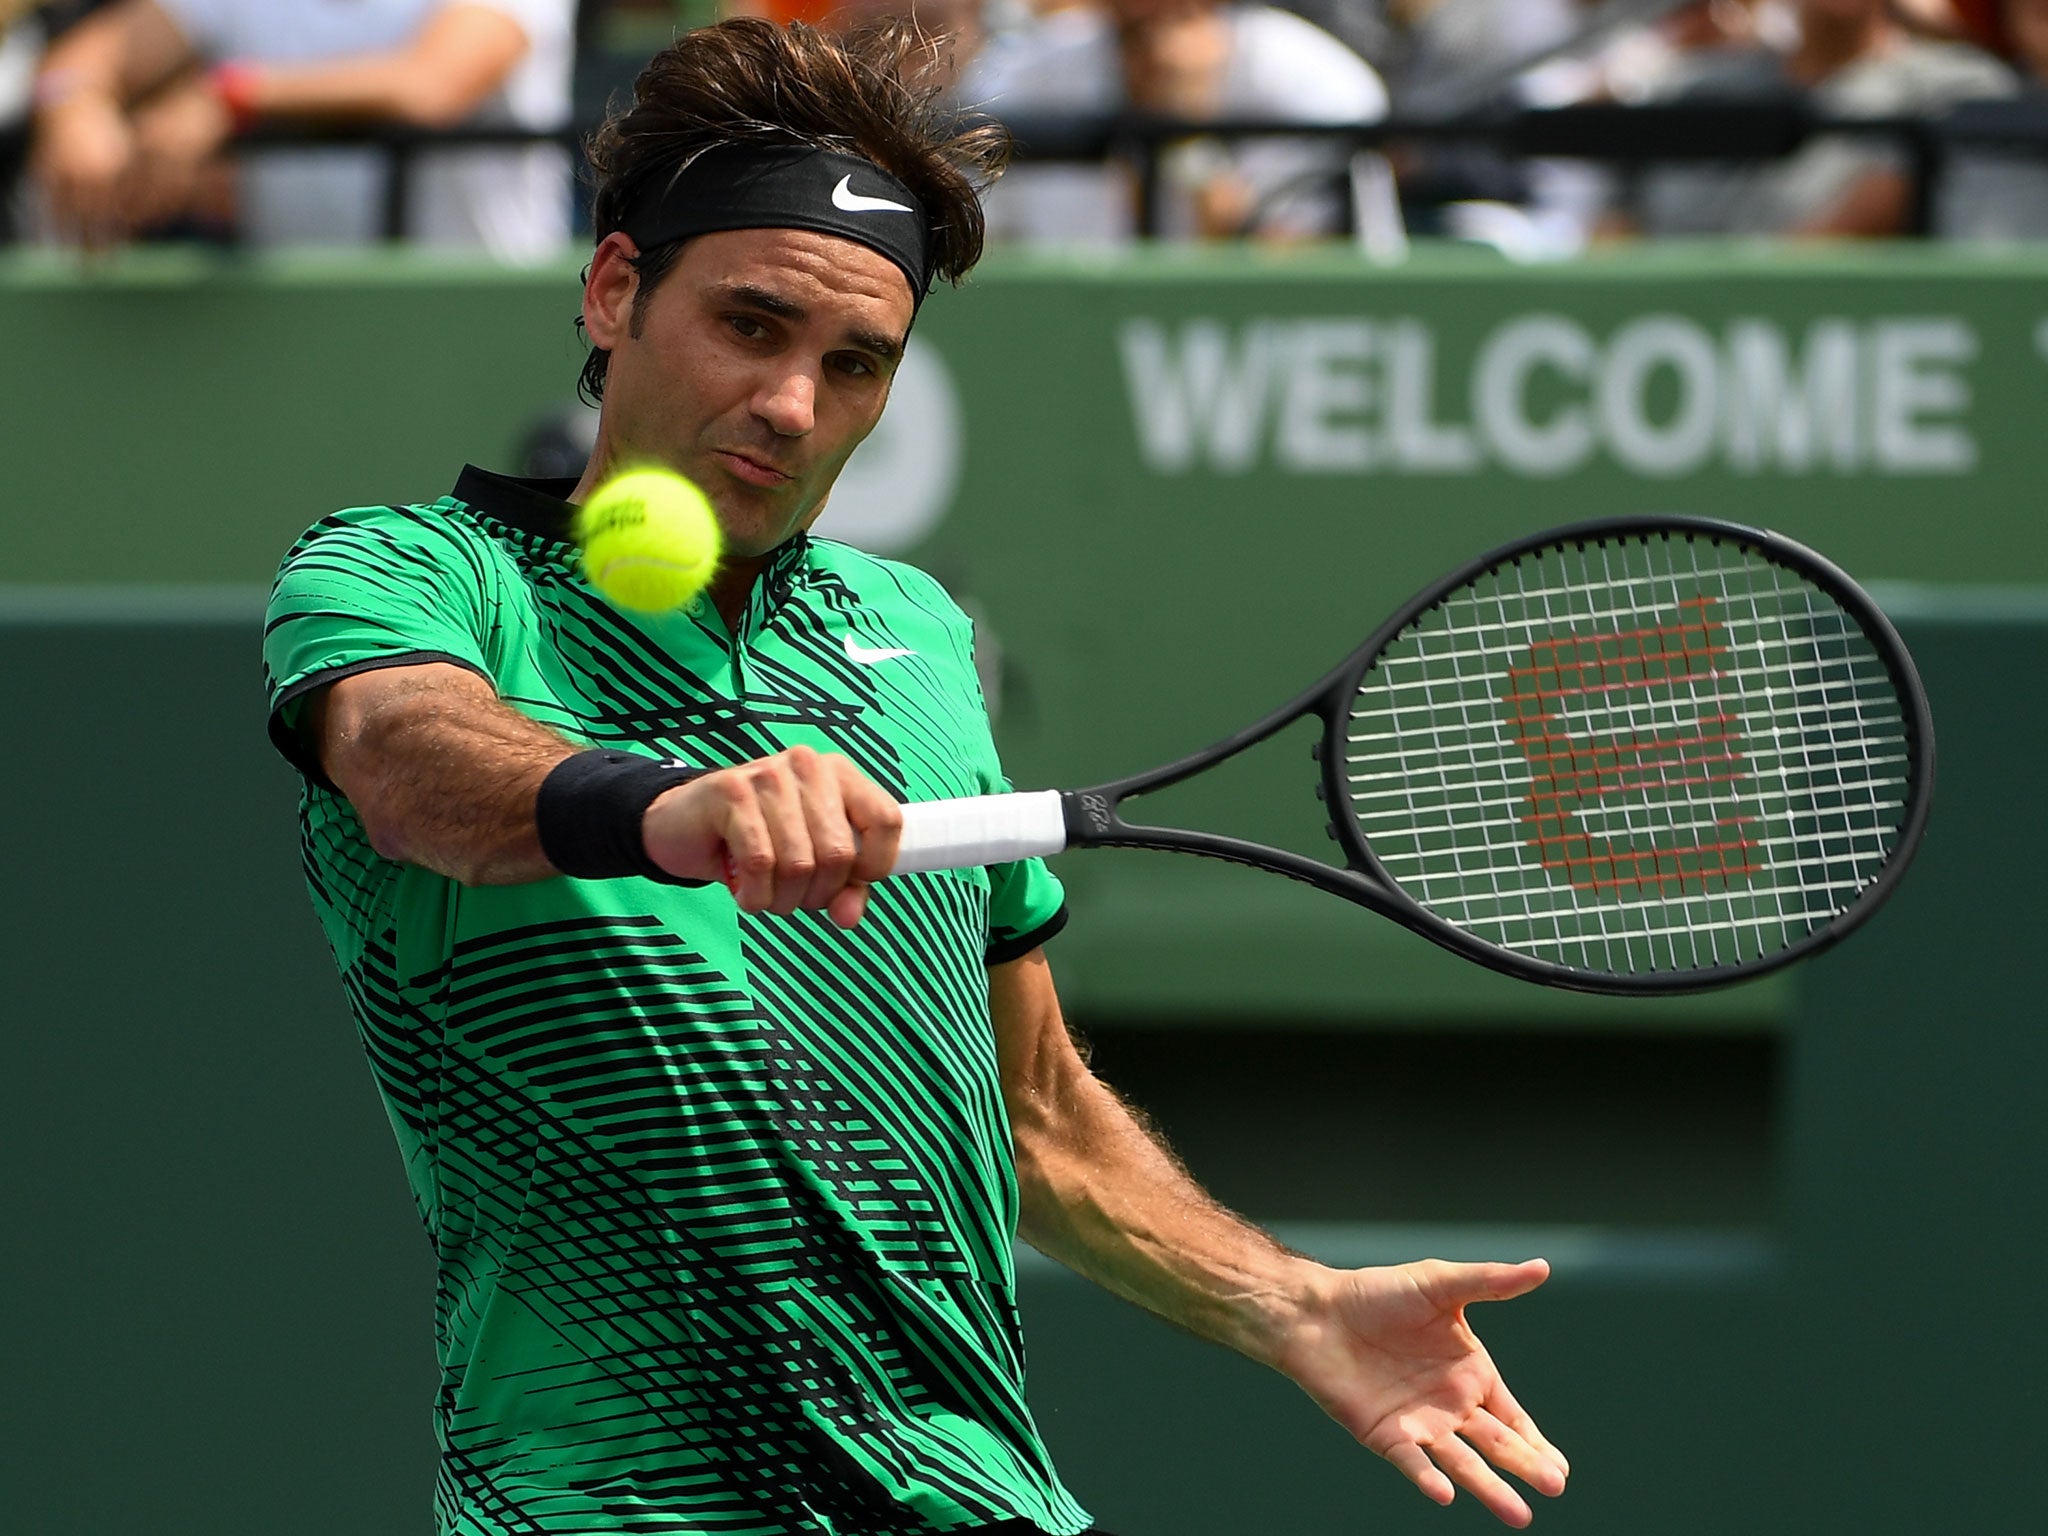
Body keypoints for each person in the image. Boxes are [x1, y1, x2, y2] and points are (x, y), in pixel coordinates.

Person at [262, 19, 1569, 1535]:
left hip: (974, 1500)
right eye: (750, 327)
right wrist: (668, 807)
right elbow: (409, 764)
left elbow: (1036, 1113)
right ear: (615, 290)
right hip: (611, 1507)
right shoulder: (414, 572)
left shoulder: (917, 636)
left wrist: (1290, 1306)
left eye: (855, 362)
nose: (795, 408)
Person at [29, 0, 572, 254]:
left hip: (473, 327)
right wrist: (73, 110)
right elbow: (82, 61)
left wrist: (228, 95)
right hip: (295, 341)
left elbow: (432, 85)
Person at [960, 0, 1389, 241]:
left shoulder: (1319, 86)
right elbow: (982, 253)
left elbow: (1278, 290)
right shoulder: (1023, 78)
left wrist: (1188, 141)